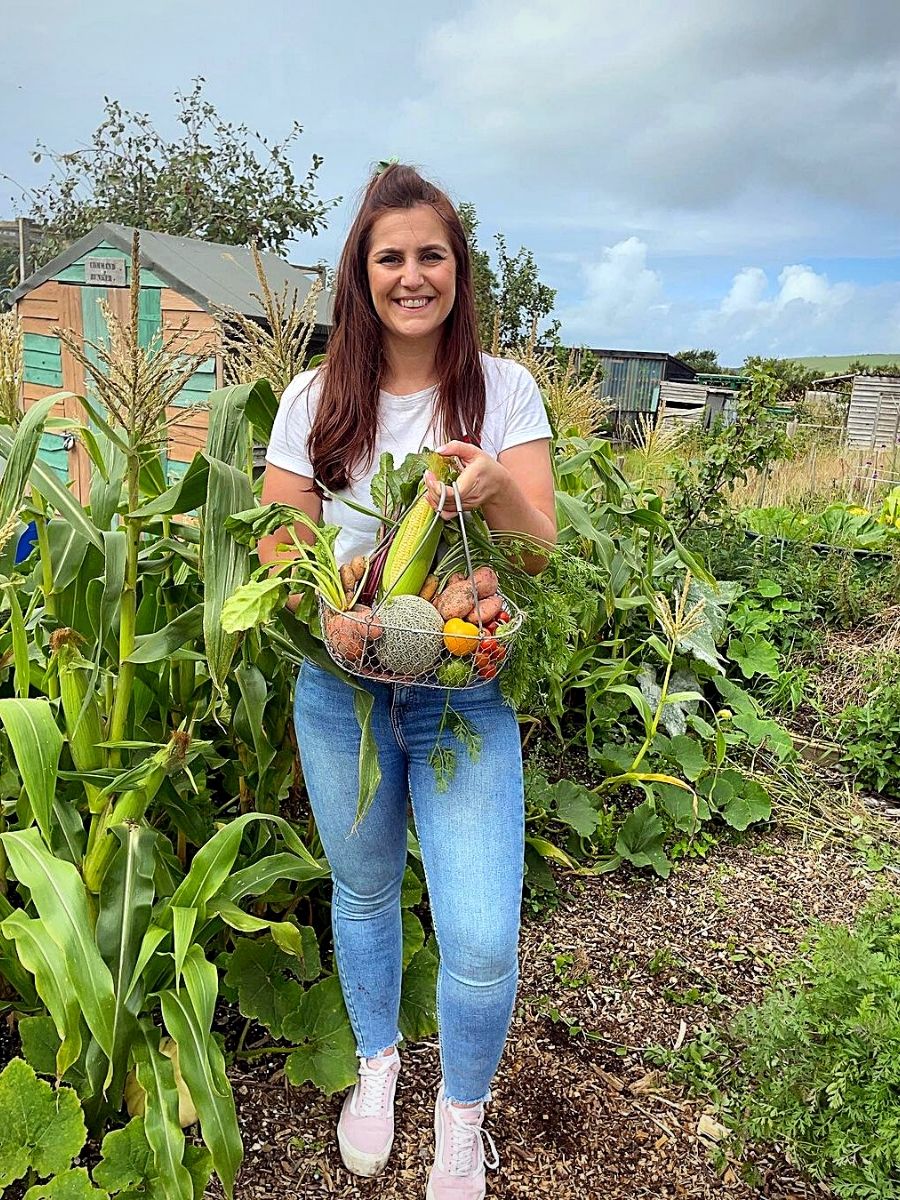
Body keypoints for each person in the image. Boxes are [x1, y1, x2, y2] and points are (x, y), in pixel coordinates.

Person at [259, 162, 556, 1200]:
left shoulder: (504, 389)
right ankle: (377, 1065)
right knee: (366, 888)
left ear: (457, 270)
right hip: (340, 692)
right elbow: (275, 550)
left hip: (463, 695)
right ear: (363, 272)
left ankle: (461, 1117)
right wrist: (325, 577)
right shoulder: (311, 396)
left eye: (432, 254)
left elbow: (543, 549)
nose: (412, 275)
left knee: (478, 933)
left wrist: (497, 495)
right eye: (392, 256)